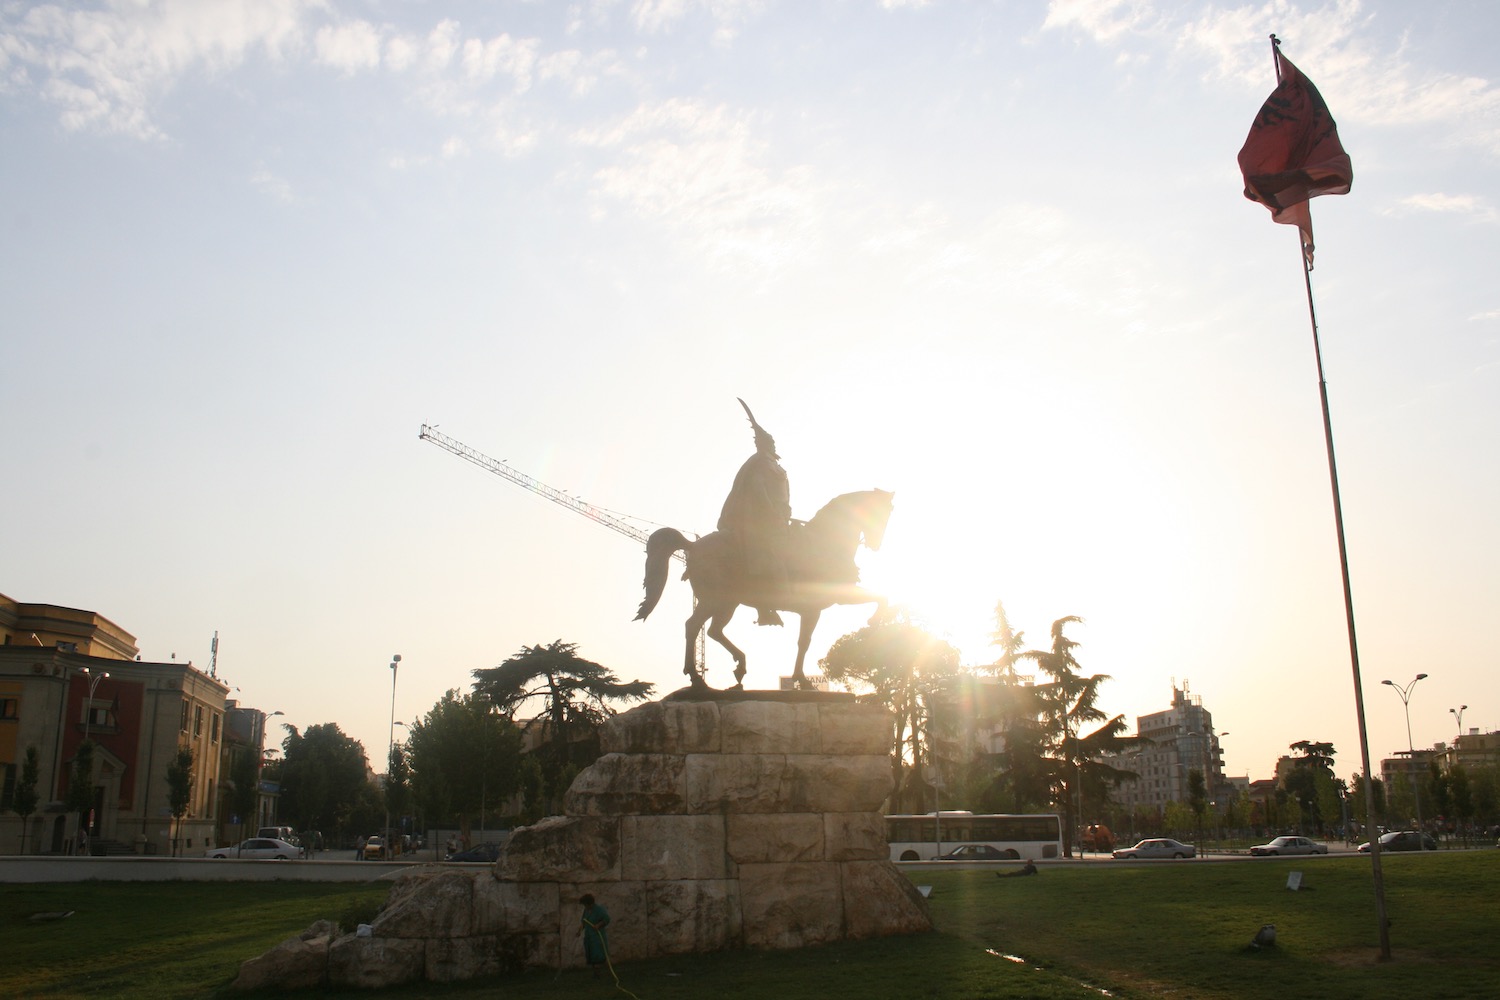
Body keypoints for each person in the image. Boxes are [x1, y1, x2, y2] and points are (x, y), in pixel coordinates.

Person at [718, 399, 792, 626]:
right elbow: (758, 489)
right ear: (762, 443)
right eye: (769, 440)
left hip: (778, 517)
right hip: (759, 520)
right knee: (768, 555)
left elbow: (783, 492)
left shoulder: (774, 463)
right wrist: (771, 510)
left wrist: (786, 510)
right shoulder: (759, 462)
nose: (773, 443)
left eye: (772, 440)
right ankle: (765, 606)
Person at [579, 894, 611, 978]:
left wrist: (598, 925)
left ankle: (598, 973)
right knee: (591, 954)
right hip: (589, 936)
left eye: (585, 904)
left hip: (597, 937)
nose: (584, 906)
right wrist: (579, 930)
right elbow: (584, 921)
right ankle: (596, 972)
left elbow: (607, 919)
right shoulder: (586, 910)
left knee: (598, 954)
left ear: (590, 903)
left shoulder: (599, 910)